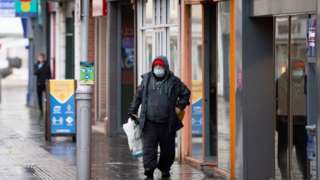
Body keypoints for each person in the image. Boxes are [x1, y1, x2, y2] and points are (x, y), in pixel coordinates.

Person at [128, 56, 190, 179]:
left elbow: (185, 93)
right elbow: (138, 96)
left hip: (168, 123)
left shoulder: (174, 81)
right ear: (152, 67)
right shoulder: (146, 80)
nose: (158, 68)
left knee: (168, 150)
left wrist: (179, 107)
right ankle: (149, 170)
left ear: (165, 68)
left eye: (160, 66)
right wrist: (132, 111)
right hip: (149, 122)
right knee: (149, 149)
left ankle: (165, 169)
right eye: (156, 66)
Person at [276, 60, 307, 179]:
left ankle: (305, 175)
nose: (299, 71)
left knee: (303, 157)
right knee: (282, 157)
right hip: (285, 126)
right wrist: (278, 125)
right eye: (296, 69)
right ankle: (285, 176)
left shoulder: (308, 82)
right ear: (290, 69)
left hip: (302, 126)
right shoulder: (281, 82)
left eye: (301, 69)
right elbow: (273, 104)